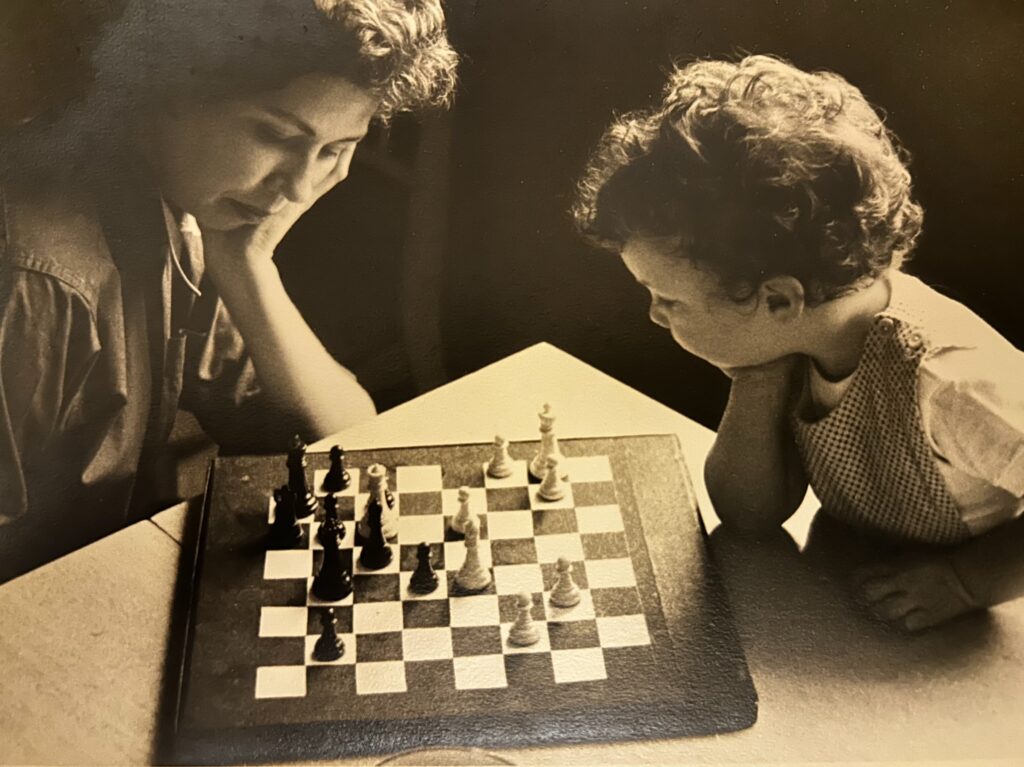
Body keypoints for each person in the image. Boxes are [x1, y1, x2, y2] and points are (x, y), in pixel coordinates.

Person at [0, 0, 458, 582]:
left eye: (334, 150)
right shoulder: (37, 283)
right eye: (275, 135)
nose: (298, 187)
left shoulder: (172, 204)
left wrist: (247, 265)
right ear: (167, 90)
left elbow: (342, 441)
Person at [573, 55, 1024, 632]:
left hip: (973, 630)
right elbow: (749, 515)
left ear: (779, 300)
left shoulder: (949, 379)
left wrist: (965, 582)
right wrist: (757, 380)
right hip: (861, 596)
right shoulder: (796, 339)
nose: (655, 315)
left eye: (668, 298)